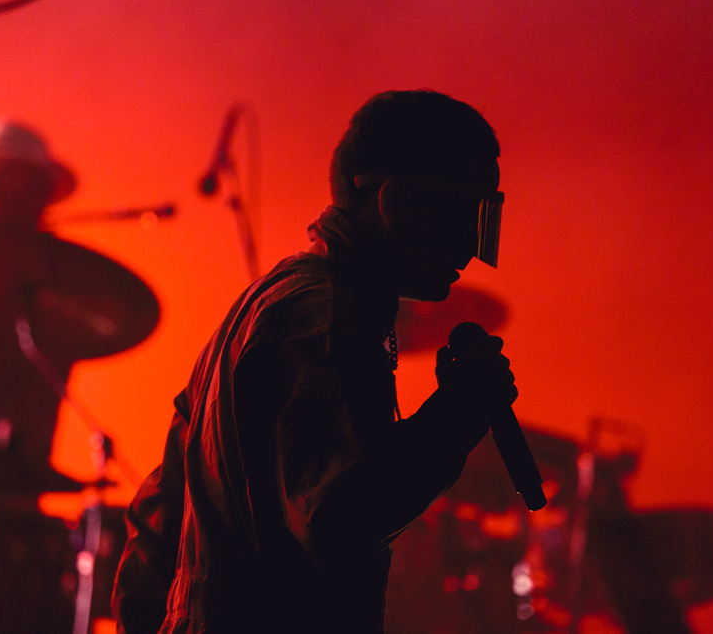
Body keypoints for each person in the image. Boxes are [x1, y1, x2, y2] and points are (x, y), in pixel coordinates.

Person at [112, 90, 517, 634]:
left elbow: (154, 529)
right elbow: (337, 521)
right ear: (393, 201)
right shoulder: (322, 316)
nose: (471, 248)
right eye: (464, 216)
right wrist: (454, 418)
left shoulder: (271, 304)